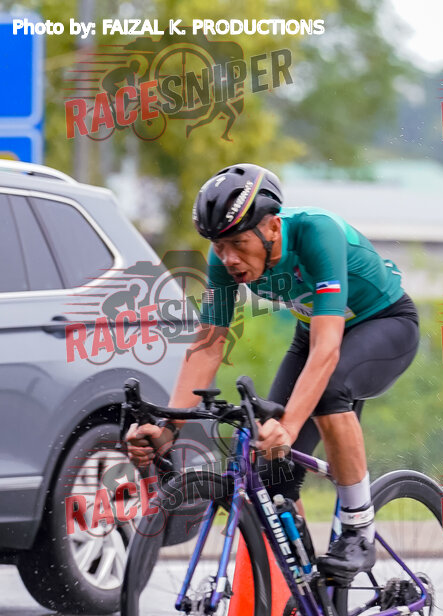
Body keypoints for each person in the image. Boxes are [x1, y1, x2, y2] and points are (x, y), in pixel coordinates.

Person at [125, 163, 419, 583]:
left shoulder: (317, 232)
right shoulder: (224, 259)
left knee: (329, 392)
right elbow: (209, 344)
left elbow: (327, 349)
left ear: (272, 228)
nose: (228, 257)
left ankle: (359, 531)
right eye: (219, 245)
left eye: (238, 243)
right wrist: (170, 426)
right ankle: (307, 590)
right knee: (271, 474)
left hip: (384, 324)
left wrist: (290, 426)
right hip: (311, 333)